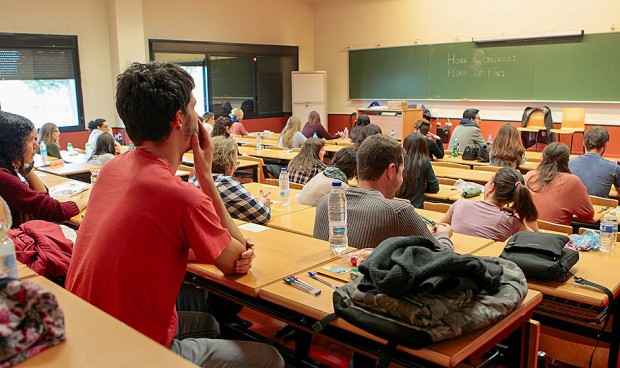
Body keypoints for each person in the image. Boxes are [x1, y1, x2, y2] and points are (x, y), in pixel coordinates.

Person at [65, 62, 284, 368]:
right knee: (271, 358)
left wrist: (191, 249)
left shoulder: (112, 170)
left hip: (86, 331)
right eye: (194, 107)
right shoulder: (181, 196)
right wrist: (206, 178)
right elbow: (236, 262)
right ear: (180, 118)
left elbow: (143, 244)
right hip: (130, 353)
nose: (198, 115)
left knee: (210, 323)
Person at [313, 134, 453, 251]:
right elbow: (443, 257)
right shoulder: (399, 212)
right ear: (391, 171)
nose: (402, 178)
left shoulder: (325, 202)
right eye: (402, 172)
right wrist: (443, 235)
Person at [0, 112, 89, 228]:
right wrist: (89, 196)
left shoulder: (9, 168)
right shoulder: (3, 176)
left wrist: (25, 169)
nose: (36, 145)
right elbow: (53, 211)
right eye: (31, 140)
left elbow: (43, 196)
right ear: (13, 145)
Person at [440, 167, 539, 241]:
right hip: (485, 266)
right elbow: (535, 236)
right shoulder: (511, 222)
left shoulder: (460, 204)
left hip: (451, 262)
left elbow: (438, 228)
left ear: (492, 187)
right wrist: (524, 207)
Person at [191, 136, 271, 224]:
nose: (235, 167)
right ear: (228, 162)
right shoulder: (225, 182)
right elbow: (262, 215)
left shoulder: (195, 178)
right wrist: (263, 203)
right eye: (235, 162)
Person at [524, 142, 594, 225]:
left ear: (544, 158)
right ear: (566, 161)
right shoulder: (572, 180)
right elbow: (588, 214)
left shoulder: (530, 175)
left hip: (527, 232)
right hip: (554, 235)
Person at [568, 127, 620, 198]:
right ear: (606, 144)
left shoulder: (569, 163)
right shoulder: (614, 168)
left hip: (572, 207)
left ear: (583, 142)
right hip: (599, 208)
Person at [395, 133, 439, 208]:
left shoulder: (397, 160)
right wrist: (422, 189)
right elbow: (434, 187)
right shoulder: (424, 161)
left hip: (396, 205)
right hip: (416, 208)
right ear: (423, 146)